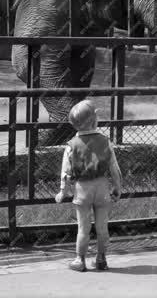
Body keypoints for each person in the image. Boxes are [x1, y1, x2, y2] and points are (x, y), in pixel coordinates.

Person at [55, 100, 122, 272]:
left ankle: (80, 260)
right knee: (102, 227)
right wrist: (117, 188)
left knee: (83, 228)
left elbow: (66, 172)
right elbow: (115, 169)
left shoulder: (71, 145)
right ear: (94, 120)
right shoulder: (106, 142)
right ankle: (101, 259)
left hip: (82, 189)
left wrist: (63, 191)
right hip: (102, 187)